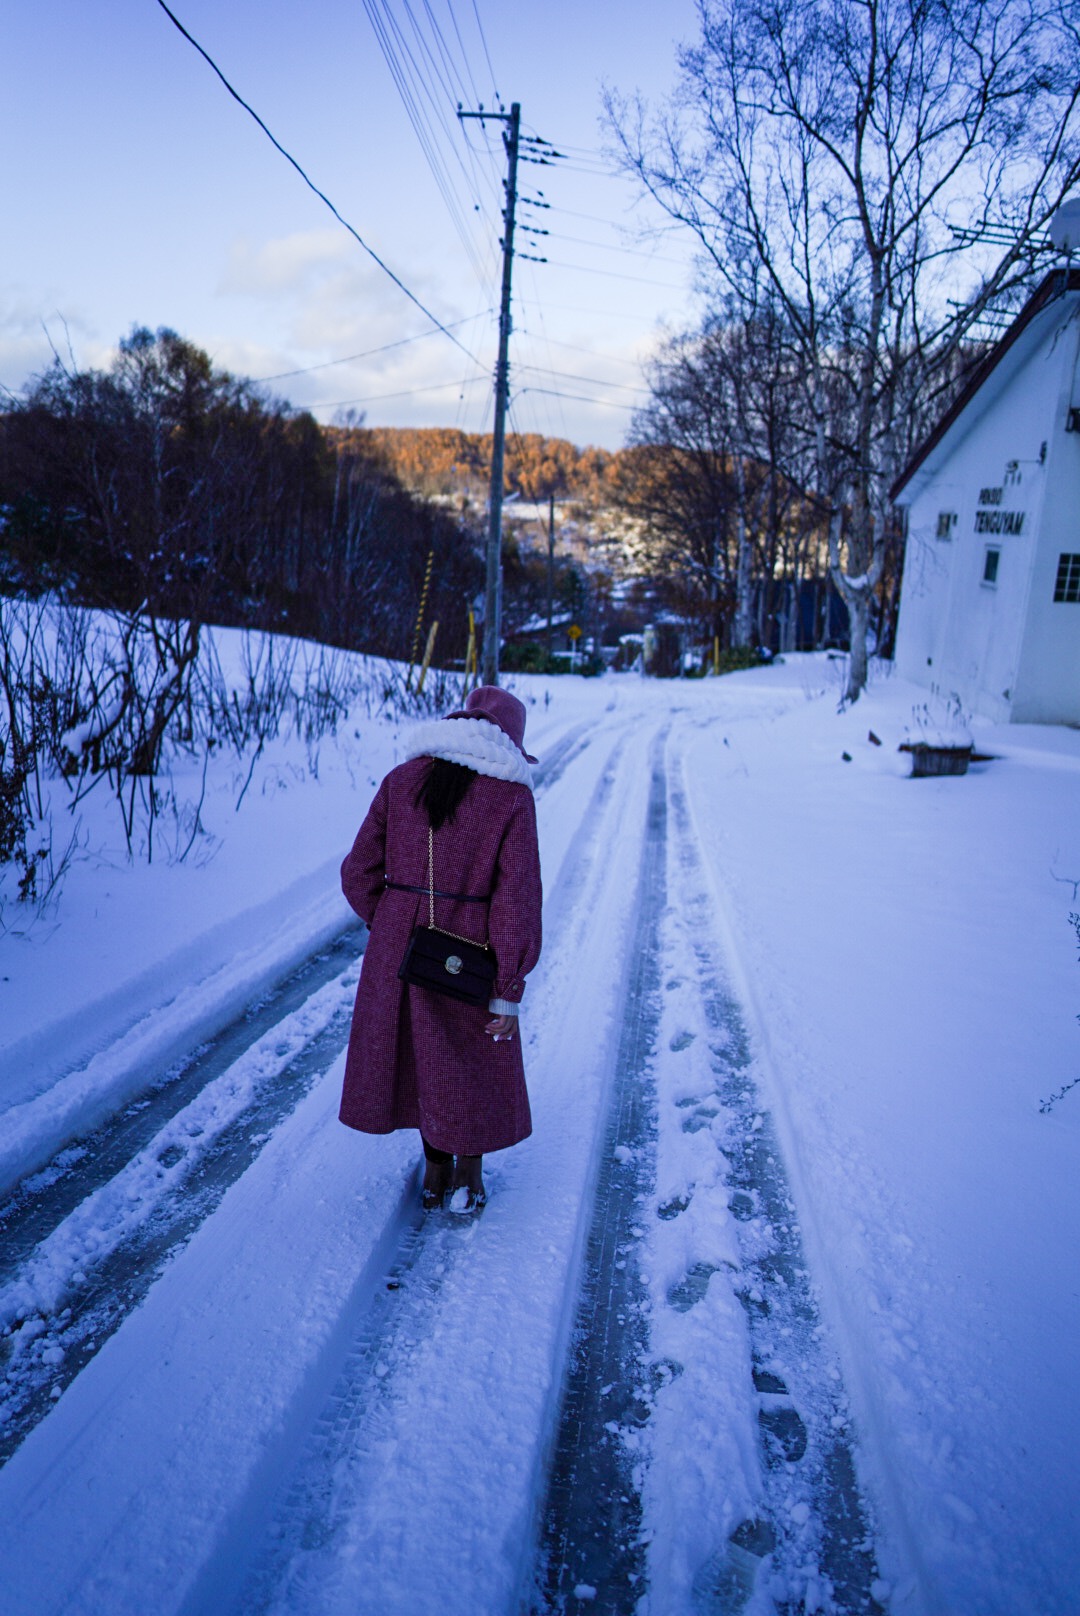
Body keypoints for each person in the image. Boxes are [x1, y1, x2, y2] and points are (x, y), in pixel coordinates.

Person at [339, 686, 543, 1212]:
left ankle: (434, 1172)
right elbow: (515, 898)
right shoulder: (511, 797)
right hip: (470, 950)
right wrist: (507, 987)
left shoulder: (401, 780)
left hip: (400, 950)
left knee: (416, 1057)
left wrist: (389, 925)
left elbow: (357, 872)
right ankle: (468, 1177)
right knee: (468, 1060)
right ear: (510, 742)